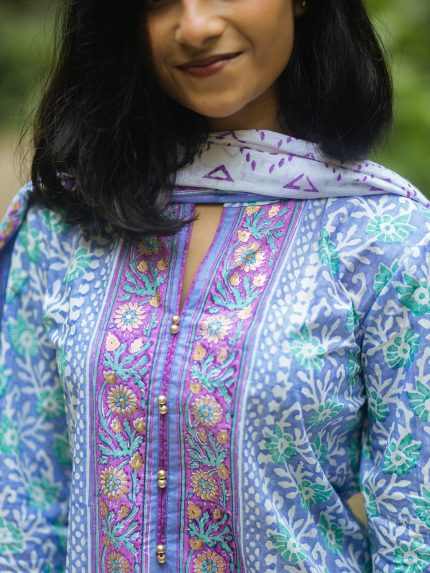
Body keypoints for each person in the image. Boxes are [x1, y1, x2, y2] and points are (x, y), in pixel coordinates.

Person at [1, 0, 429, 571]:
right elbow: (25, 514)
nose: (196, 26)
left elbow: (414, 535)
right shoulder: (64, 223)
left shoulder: (387, 241)